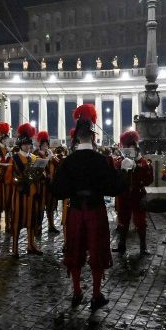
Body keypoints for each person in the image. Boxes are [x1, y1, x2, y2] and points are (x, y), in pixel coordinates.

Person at [50, 104, 127, 310]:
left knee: (74, 249)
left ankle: (76, 291)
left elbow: (57, 190)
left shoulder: (68, 161)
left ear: (76, 138)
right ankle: (95, 294)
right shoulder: (102, 161)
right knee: (97, 249)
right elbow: (114, 188)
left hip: (75, 210)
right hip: (95, 211)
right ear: (93, 138)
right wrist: (124, 172)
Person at [112, 130, 153, 255]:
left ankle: (143, 246)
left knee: (140, 222)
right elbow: (115, 178)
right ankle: (121, 245)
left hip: (137, 195)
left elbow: (148, 180)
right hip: (124, 195)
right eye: (126, 148)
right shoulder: (120, 161)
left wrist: (137, 166)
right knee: (123, 221)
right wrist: (121, 167)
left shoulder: (143, 163)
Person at [6, 123, 43, 256]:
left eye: (29, 144)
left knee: (32, 219)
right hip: (20, 194)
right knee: (17, 220)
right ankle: (15, 248)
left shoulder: (33, 158)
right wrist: (20, 178)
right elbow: (10, 177)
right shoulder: (14, 158)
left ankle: (31, 244)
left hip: (32, 193)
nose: (28, 146)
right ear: (21, 144)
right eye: (26, 144)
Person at [36, 131, 62, 234]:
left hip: (50, 184)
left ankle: (51, 225)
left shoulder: (49, 153)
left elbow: (58, 164)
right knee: (41, 206)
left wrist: (54, 157)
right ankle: (38, 227)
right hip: (42, 185)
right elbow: (38, 166)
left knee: (51, 205)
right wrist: (48, 158)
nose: (46, 147)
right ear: (41, 145)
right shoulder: (36, 154)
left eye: (47, 145)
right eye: (44, 145)